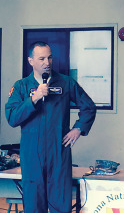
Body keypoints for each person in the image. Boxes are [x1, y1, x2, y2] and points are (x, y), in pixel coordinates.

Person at [5, 41, 96, 213]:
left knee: (61, 203)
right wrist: (34, 98)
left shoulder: (66, 83)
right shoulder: (21, 87)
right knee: (33, 205)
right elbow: (12, 117)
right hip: (32, 154)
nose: (47, 62)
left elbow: (89, 106)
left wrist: (78, 128)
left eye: (49, 57)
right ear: (30, 61)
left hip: (58, 152)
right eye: (41, 59)